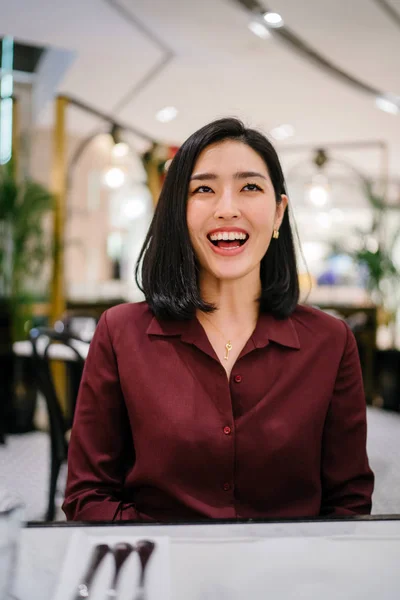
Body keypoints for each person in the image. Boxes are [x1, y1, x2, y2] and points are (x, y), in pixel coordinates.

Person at [63, 118, 374, 522]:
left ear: (279, 212)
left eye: (250, 187)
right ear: (178, 212)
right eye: (204, 189)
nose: (227, 208)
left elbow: (348, 504)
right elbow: (88, 496)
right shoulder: (120, 333)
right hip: (164, 578)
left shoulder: (330, 342)